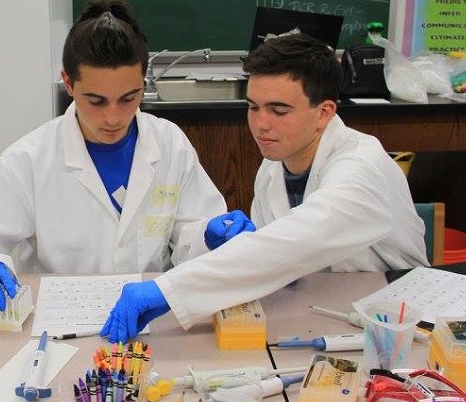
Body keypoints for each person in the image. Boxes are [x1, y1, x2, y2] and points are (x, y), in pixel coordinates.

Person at [101, 33, 429, 343]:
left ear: (324, 112)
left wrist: (168, 290)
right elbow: (272, 262)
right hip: (314, 310)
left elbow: (300, 240)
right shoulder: (273, 166)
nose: (260, 123)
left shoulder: (362, 165)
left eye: (278, 109)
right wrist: (231, 246)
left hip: (396, 320)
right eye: (253, 106)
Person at [0, 0, 249, 315]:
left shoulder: (168, 143)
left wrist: (209, 234)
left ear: (143, 81)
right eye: (96, 100)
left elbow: (190, 234)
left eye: (129, 98)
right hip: (59, 324)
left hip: (146, 317)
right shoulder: (30, 158)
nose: (113, 117)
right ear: (68, 82)